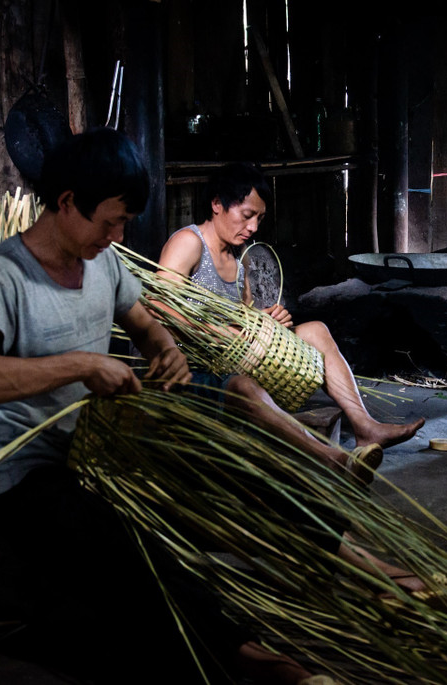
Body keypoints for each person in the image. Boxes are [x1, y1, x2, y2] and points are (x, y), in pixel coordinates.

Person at [0, 128, 330, 684]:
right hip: (36, 476)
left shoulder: (102, 263)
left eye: (125, 223)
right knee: (134, 550)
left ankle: (363, 570)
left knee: (237, 478)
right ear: (67, 203)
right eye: (111, 222)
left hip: (109, 451)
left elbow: (148, 325)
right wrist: (82, 365)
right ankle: (249, 658)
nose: (119, 235)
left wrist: (168, 354)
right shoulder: (1, 274)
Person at [154, 161, 428, 592]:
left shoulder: (240, 265)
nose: (253, 227)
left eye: (259, 218)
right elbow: (161, 304)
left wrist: (268, 320)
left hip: (234, 360)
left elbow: (245, 325)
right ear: (217, 206)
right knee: (246, 389)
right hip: (194, 373)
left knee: (314, 329)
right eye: (247, 215)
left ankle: (365, 426)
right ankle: (332, 460)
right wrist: (220, 329)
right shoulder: (189, 243)